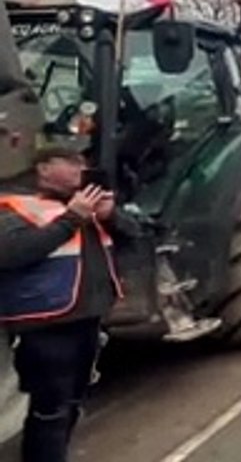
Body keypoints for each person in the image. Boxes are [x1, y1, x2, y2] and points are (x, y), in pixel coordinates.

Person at [0, 147, 141, 462]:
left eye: (84, 162)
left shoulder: (89, 205)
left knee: (73, 402)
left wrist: (112, 216)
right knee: (51, 408)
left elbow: (136, 239)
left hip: (86, 320)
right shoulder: (15, 205)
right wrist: (71, 220)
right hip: (45, 326)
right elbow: (10, 252)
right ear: (44, 168)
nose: (82, 168)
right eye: (72, 163)